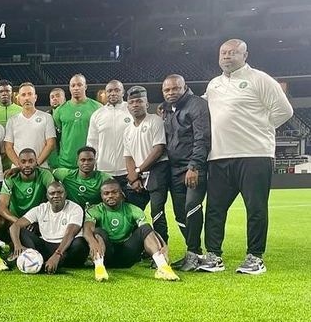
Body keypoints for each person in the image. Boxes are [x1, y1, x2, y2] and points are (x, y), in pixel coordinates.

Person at [199, 38, 293, 275]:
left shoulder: (260, 79)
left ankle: (255, 257)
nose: (227, 56)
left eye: (232, 52)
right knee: (215, 209)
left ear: (245, 55)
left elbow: (285, 111)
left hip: (254, 154)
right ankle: (213, 255)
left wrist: (261, 127)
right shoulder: (214, 85)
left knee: (256, 208)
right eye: (223, 52)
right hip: (219, 156)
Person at [159, 74, 211, 271]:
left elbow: (202, 138)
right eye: (167, 90)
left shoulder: (197, 105)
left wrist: (194, 166)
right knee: (180, 213)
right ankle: (192, 252)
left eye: (175, 89)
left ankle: (196, 253)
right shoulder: (170, 109)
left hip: (192, 168)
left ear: (184, 87)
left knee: (192, 206)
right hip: (174, 168)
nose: (171, 93)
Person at [84, 179, 178, 282]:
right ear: (101, 196)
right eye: (106, 193)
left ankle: (163, 267)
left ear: (121, 193)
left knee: (144, 228)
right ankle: (99, 268)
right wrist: (92, 243)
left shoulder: (133, 210)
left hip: (127, 255)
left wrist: (163, 244)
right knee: (98, 231)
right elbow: (88, 230)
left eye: (114, 192)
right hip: (106, 255)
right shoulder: (95, 210)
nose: (110, 196)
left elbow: (148, 231)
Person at [8, 181, 91, 273]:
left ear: (65, 194)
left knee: (80, 244)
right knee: (21, 232)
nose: (56, 196)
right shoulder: (40, 209)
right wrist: (17, 245)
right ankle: (33, 258)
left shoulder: (75, 208)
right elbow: (14, 226)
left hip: (66, 247)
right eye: (52, 193)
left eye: (60, 192)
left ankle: (52, 263)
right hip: (46, 245)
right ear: (47, 196)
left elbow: (70, 234)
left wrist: (58, 254)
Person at [123, 85, 169, 244]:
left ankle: (162, 249)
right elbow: (128, 156)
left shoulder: (155, 121)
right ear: (127, 106)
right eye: (132, 102)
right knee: (133, 213)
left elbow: (158, 150)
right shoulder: (128, 129)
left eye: (139, 101)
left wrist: (137, 171)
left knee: (157, 213)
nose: (135, 104)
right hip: (138, 177)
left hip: (157, 171)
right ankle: (139, 247)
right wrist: (134, 178)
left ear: (147, 104)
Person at [53, 73, 101, 169]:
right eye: (73, 85)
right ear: (69, 88)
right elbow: (59, 133)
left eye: (79, 85)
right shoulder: (60, 110)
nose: (76, 88)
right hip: (66, 163)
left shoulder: (98, 107)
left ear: (85, 86)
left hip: (90, 163)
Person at [0, 148, 54, 228]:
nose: (27, 165)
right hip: (16, 220)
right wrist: (20, 222)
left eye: (31, 161)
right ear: (18, 163)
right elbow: (2, 207)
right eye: (23, 162)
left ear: (36, 162)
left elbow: (54, 194)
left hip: (37, 220)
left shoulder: (44, 175)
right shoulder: (10, 178)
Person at [4, 82, 56, 169]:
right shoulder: (12, 120)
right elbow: (8, 147)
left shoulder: (47, 117)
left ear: (35, 97)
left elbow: (50, 144)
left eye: (30, 94)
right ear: (19, 98)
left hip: (41, 168)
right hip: (18, 169)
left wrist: (36, 163)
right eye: (23, 95)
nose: (27, 98)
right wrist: (20, 165)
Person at [86, 80, 131, 181]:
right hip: (104, 170)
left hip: (129, 170)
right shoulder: (97, 114)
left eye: (117, 90)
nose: (113, 93)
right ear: (106, 93)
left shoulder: (131, 110)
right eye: (109, 91)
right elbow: (92, 143)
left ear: (123, 92)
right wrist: (93, 166)